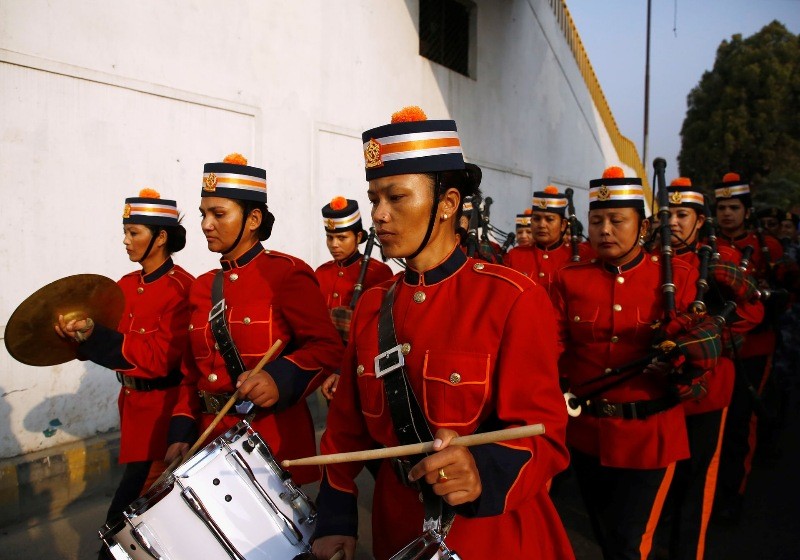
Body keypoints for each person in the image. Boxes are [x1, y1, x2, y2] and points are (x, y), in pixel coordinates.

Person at [311, 107, 573, 560]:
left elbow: (544, 436)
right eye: (374, 199)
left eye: (396, 198)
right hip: (398, 534)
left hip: (490, 538)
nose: (379, 214)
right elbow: (343, 433)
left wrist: (483, 471)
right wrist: (336, 518)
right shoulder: (373, 305)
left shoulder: (511, 299)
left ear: (448, 204)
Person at [166, 153, 343, 485]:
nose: (205, 224)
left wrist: (279, 378)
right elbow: (192, 372)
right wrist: (181, 429)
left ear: (253, 218)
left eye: (219, 213)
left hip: (270, 444)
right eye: (204, 213)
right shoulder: (201, 287)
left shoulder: (285, 274)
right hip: (209, 444)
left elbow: (327, 348)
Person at [552, 167, 700, 560]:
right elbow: (551, 346)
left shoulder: (678, 277)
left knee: (630, 545)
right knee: (605, 536)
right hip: (588, 434)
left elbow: (702, 350)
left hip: (649, 435)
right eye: (597, 220)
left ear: (644, 225)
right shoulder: (570, 279)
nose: (605, 230)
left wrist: (682, 358)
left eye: (617, 220)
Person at [54, 189, 193, 560]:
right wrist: (76, 336)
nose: (125, 240)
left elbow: (158, 360)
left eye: (134, 233)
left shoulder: (182, 290)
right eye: (125, 231)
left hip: (163, 419)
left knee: (122, 524)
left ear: (160, 237)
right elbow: (101, 347)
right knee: (147, 522)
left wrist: (95, 336)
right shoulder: (123, 287)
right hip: (133, 414)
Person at [654, 178, 763, 559]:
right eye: (668, 215)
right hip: (657, 388)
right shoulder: (651, 259)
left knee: (695, 481)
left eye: (683, 215)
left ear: (700, 221)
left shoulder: (720, 262)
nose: (674, 223)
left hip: (706, 389)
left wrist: (708, 334)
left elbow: (751, 313)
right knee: (657, 479)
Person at [712, 172, 785, 524]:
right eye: (721, 207)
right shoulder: (706, 244)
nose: (727, 213)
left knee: (742, 423)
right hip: (716, 349)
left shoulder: (769, 247)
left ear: (746, 209)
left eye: (733, 207)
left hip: (754, 348)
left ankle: (732, 494)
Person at [315, 196, 393, 399]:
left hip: (359, 364)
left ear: (358, 237)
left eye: (342, 238)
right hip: (326, 365)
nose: (334, 244)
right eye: (329, 237)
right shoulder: (321, 273)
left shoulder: (379, 273)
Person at [504, 186, 589, 296]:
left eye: (549, 219)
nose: (541, 225)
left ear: (563, 225)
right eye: (536, 219)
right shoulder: (515, 256)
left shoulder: (577, 255)